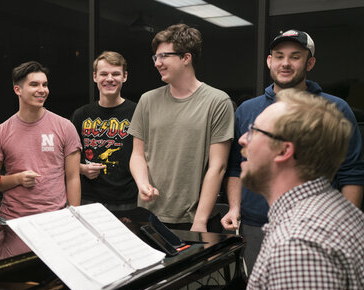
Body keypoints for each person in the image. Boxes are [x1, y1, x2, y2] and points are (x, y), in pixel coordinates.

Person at [151, 89, 364, 290]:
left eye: (254, 132)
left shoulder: (301, 242)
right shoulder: (330, 211)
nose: (242, 140)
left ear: (283, 151)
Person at [221, 29, 364, 269]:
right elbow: (236, 166)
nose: (285, 63)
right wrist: (235, 208)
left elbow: (352, 172)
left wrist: (342, 224)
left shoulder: (333, 109)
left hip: (317, 225)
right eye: (279, 56)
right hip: (256, 225)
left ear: (310, 62)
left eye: (295, 56)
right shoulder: (247, 110)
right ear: (269, 61)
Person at [129, 23, 233, 232]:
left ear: (186, 58)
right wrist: (142, 184)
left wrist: (201, 220)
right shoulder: (147, 100)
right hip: (149, 216)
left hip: (194, 219)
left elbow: (217, 167)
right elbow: (137, 155)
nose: (157, 63)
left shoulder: (218, 102)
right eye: (155, 57)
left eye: (164, 56)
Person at [0, 61, 81, 220]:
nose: (42, 90)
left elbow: (73, 177)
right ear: (17, 90)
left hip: (55, 219)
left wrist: (74, 216)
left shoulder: (65, 127)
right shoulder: (1, 132)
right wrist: (18, 179)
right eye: (34, 85)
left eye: (45, 85)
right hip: (13, 220)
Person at [71, 51, 138, 211]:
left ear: (125, 76)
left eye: (115, 74)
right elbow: (66, 158)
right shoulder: (81, 114)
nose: (109, 79)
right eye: (104, 74)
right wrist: (82, 169)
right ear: (95, 77)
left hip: (128, 201)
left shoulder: (137, 112)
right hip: (88, 200)